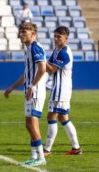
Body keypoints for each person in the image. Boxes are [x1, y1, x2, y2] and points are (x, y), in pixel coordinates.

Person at [4, 22, 47, 166]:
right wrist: (12, 87)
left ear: (33, 34)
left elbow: (42, 68)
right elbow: (26, 74)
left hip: (36, 91)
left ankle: (41, 157)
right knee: (29, 124)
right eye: (21, 32)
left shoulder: (35, 47)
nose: (22, 34)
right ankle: (35, 156)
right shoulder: (28, 48)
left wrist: (33, 86)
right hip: (30, 90)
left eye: (25, 32)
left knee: (32, 124)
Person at [43, 26, 82, 156]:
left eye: (59, 36)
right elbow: (47, 65)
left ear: (66, 38)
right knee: (63, 117)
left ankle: (47, 150)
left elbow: (51, 69)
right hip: (60, 88)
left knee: (51, 116)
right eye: (55, 36)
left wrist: (39, 59)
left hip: (61, 90)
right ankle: (76, 148)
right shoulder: (57, 50)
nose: (56, 38)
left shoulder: (64, 53)